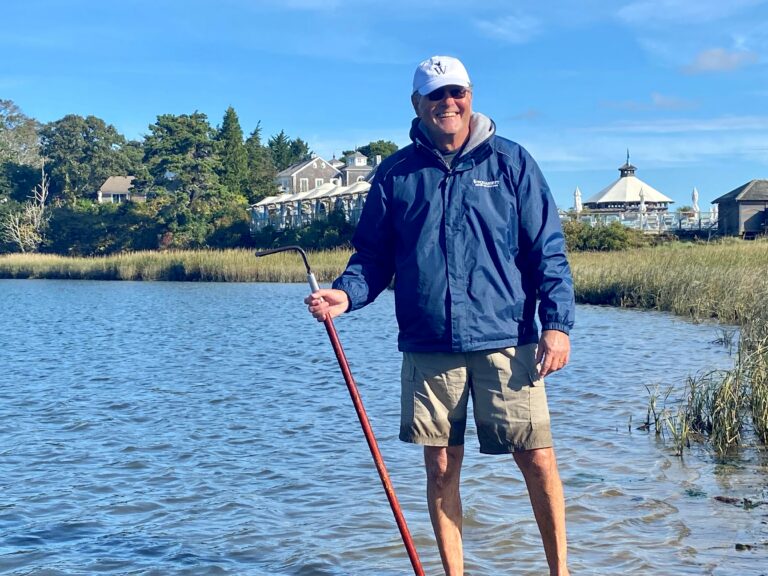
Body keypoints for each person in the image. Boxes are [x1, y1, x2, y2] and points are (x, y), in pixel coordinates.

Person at [306, 55, 574, 576]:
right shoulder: (396, 173)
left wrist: (557, 325)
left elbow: (548, 251)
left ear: (471, 95)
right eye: (436, 96)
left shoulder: (512, 163)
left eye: (457, 93)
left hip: (508, 339)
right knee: (442, 465)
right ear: (417, 105)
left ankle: (559, 571)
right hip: (428, 343)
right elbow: (373, 258)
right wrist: (345, 295)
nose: (448, 103)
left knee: (537, 458)